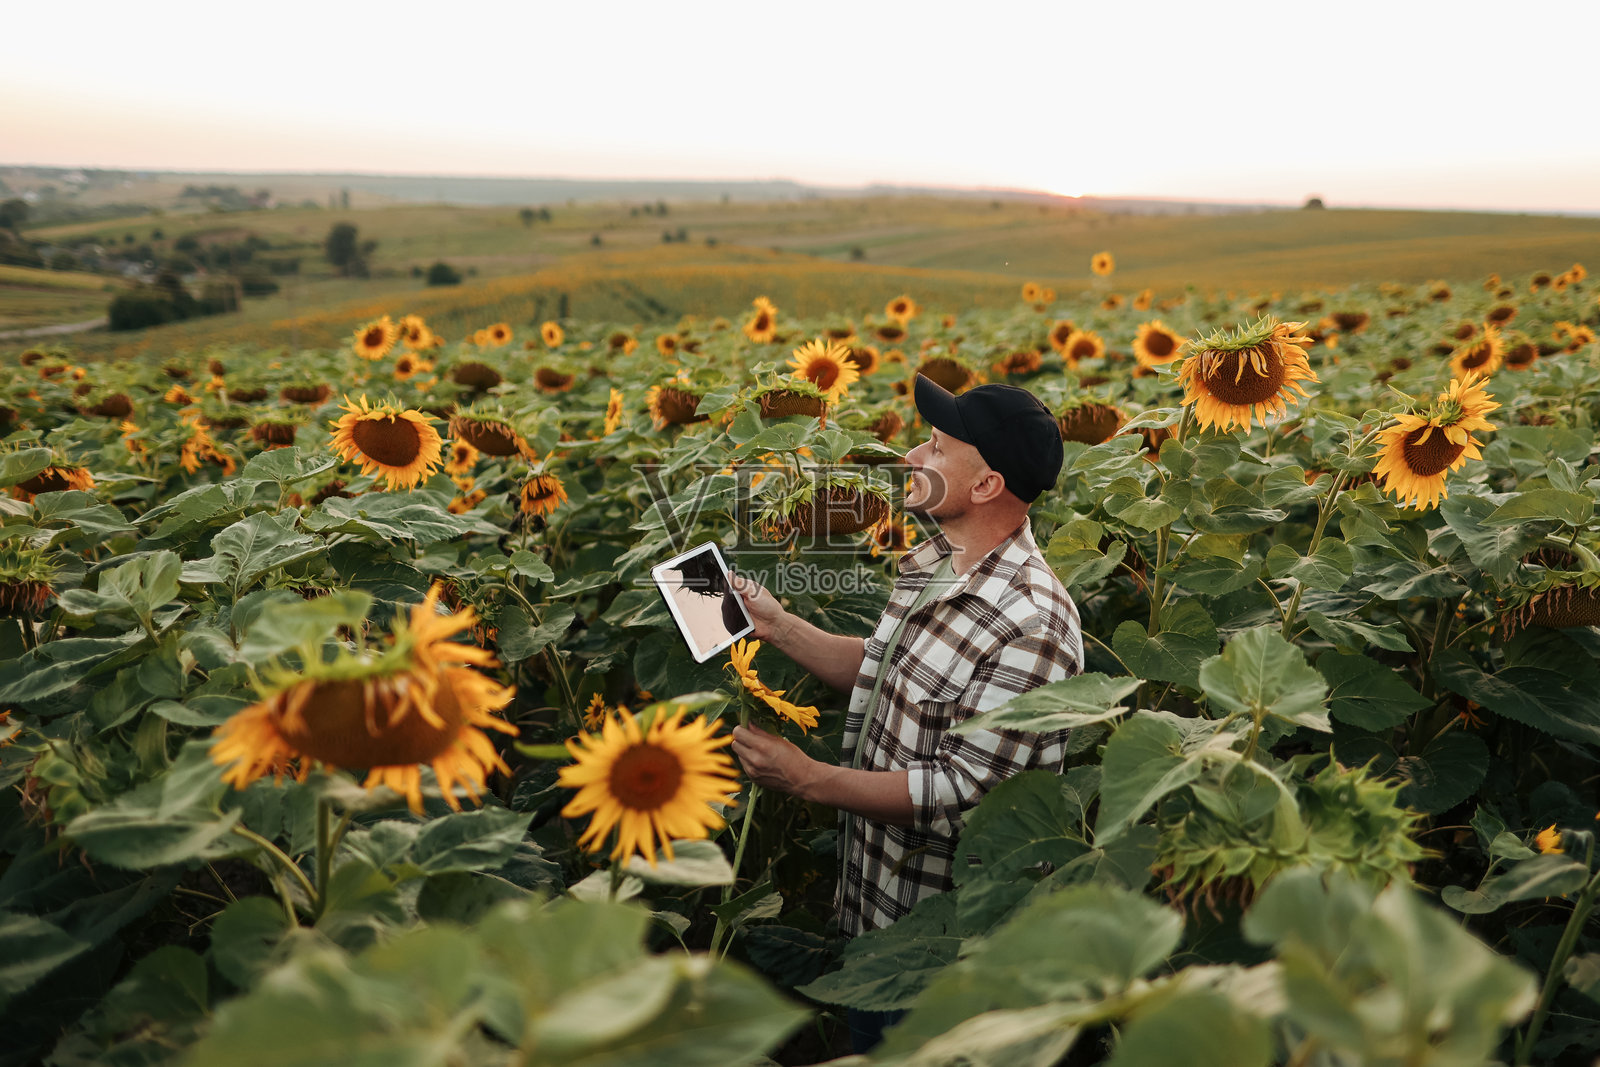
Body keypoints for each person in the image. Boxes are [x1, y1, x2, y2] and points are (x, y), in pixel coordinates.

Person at [730, 373, 1082, 1053]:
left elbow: (959, 791)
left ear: (984, 486)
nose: (911, 460)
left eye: (935, 447)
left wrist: (808, 779)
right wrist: (779, 627)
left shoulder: (1034, 623)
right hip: (872, 903)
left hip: (942, 957)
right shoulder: (936, 560)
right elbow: (886, 664)